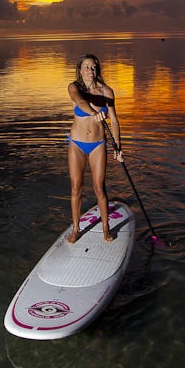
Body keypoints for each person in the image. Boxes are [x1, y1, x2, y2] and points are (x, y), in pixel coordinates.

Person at [66, 54, 124, 244]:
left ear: (97, 70)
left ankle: (106, 228)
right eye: (86, 67)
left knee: (99, 188)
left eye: (93, 67)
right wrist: (94, 112)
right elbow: (81, 102)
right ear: (80, 70)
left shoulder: (106, 91)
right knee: (76, 188)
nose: (90, 70)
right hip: (77, 144)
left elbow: (114, 121)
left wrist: (117, 147)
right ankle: (76, 229)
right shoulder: (74, 88)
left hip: (98, 144)